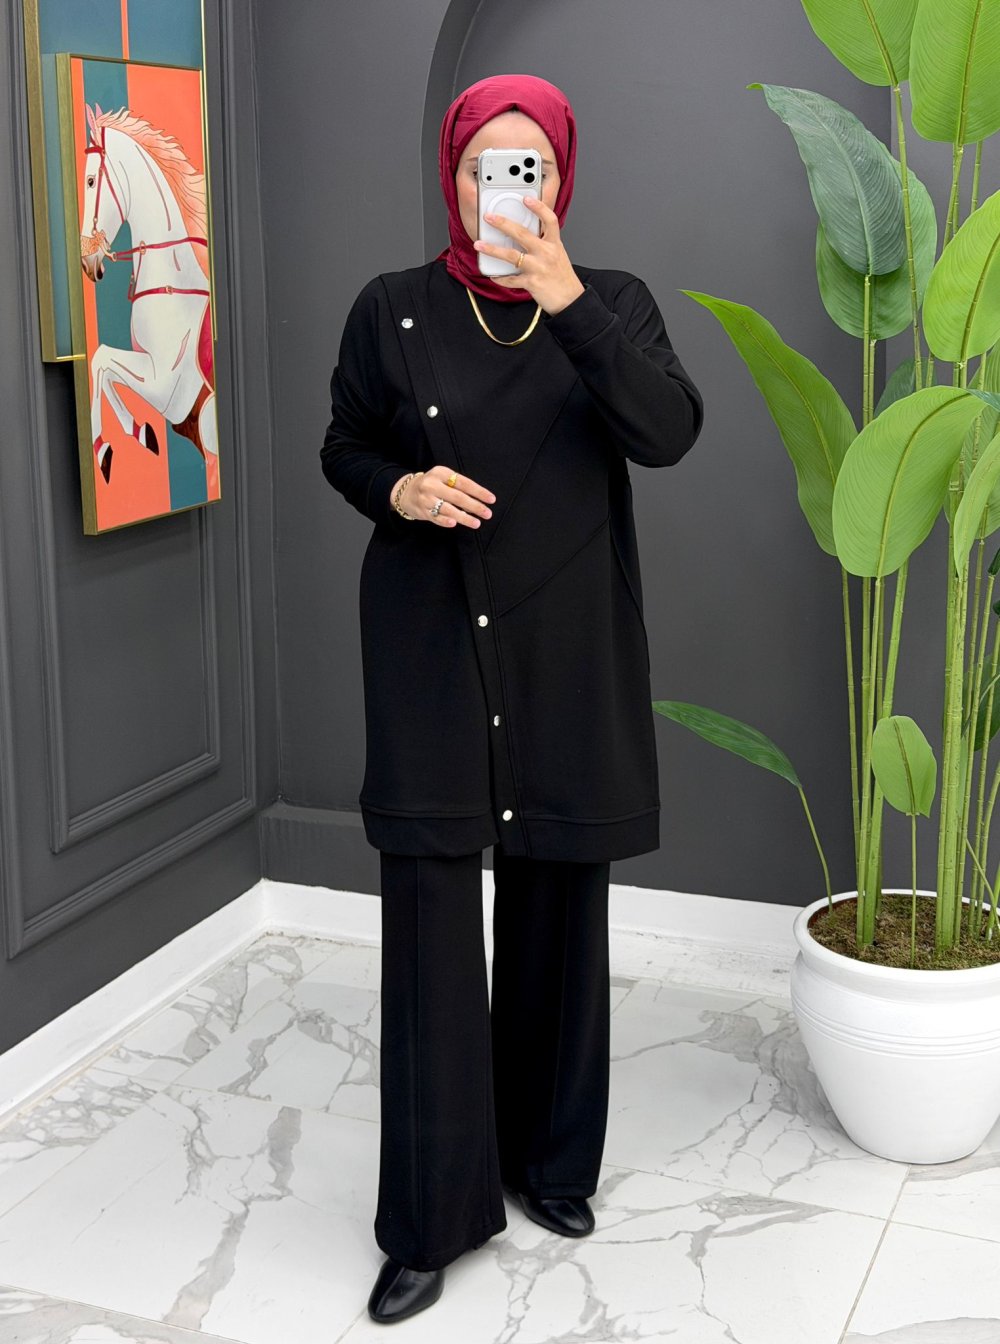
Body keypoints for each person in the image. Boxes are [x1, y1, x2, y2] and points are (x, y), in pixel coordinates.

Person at [320, 73, 704, 1324]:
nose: (505, 183)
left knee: (558, 910)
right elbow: (345, 444)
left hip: (564, 649)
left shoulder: (614, 303)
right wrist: (398, 491)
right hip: (429, 644)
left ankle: (549, 1164)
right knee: (431, 930)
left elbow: (668, 431)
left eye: (527, 162)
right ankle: (429, 1220)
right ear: (452, 174)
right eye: (484, 161)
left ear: (561, 177)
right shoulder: (390, 306)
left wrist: (568, 300)